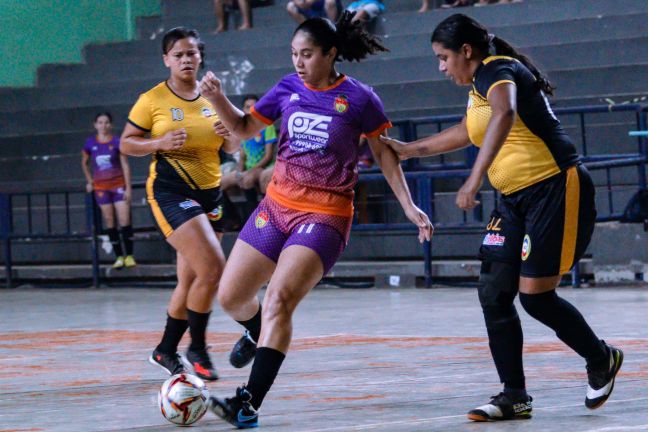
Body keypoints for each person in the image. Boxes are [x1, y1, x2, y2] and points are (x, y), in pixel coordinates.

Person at [380, 13, 623, 422]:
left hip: (555, 188)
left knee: (536, 298)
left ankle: (601, 357)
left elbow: (505, 114)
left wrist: (472, 180)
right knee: (494, 293)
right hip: (513, 200)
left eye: (443, 58)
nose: (441, 67)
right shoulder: (479, 85)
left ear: (466, 52)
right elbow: (468, 129)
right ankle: (514, 395)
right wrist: (410, 150)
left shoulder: (499, 70)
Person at [199, 11, 433, 428]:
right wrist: (216, 96)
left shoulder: (360, 98)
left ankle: (247, 403)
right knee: (232, 297)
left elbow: (383, 153)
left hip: (325, 215)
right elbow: (243, 128)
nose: (298, 62)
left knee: (279, 300)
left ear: (331, 54)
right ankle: (256, 331)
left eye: (307, 54)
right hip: (275, 206)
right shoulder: (287, 88)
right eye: (293, 54)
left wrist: (409, 205)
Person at [120, 27, 239, 382]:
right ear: (166, 60)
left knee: (191, 281)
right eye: (178, 54)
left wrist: (228, 135)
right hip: (172, 191)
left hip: (211, 195)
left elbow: (233, 147)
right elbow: (127, 143)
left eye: (192, 53)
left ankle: (165, 350)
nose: (186, 59)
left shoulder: (211, 97)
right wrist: (160, 142)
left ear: (200, 57)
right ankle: (197, 347)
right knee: (213, 268)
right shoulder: (152, 99)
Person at [81, 112, 136, 269]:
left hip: (118, 185)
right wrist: (90, 181)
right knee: (110, 221)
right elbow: (84, 163)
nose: (103, 126)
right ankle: (118, 256)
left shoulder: (117, 141)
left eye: (106, 122)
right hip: (101, 188)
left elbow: (125, 164)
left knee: (124, 220)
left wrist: (128, 188)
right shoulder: (90, 143)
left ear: (110, 125)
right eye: (100, 122)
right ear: (95, 125)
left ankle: (130, 255)